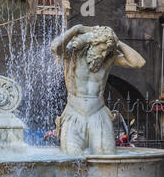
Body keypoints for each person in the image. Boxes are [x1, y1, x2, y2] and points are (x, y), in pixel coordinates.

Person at [51, 25, 145, 155]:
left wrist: (116, 41)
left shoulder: (108, 58)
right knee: (71, 161)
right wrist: (76, 29)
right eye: (101, 50)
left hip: (98, 115)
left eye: (107, 51)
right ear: (93, 43)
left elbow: (138, 62)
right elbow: (55, 47)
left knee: (107, 159)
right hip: (74, 114)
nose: (103, 54)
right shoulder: (73, 54)